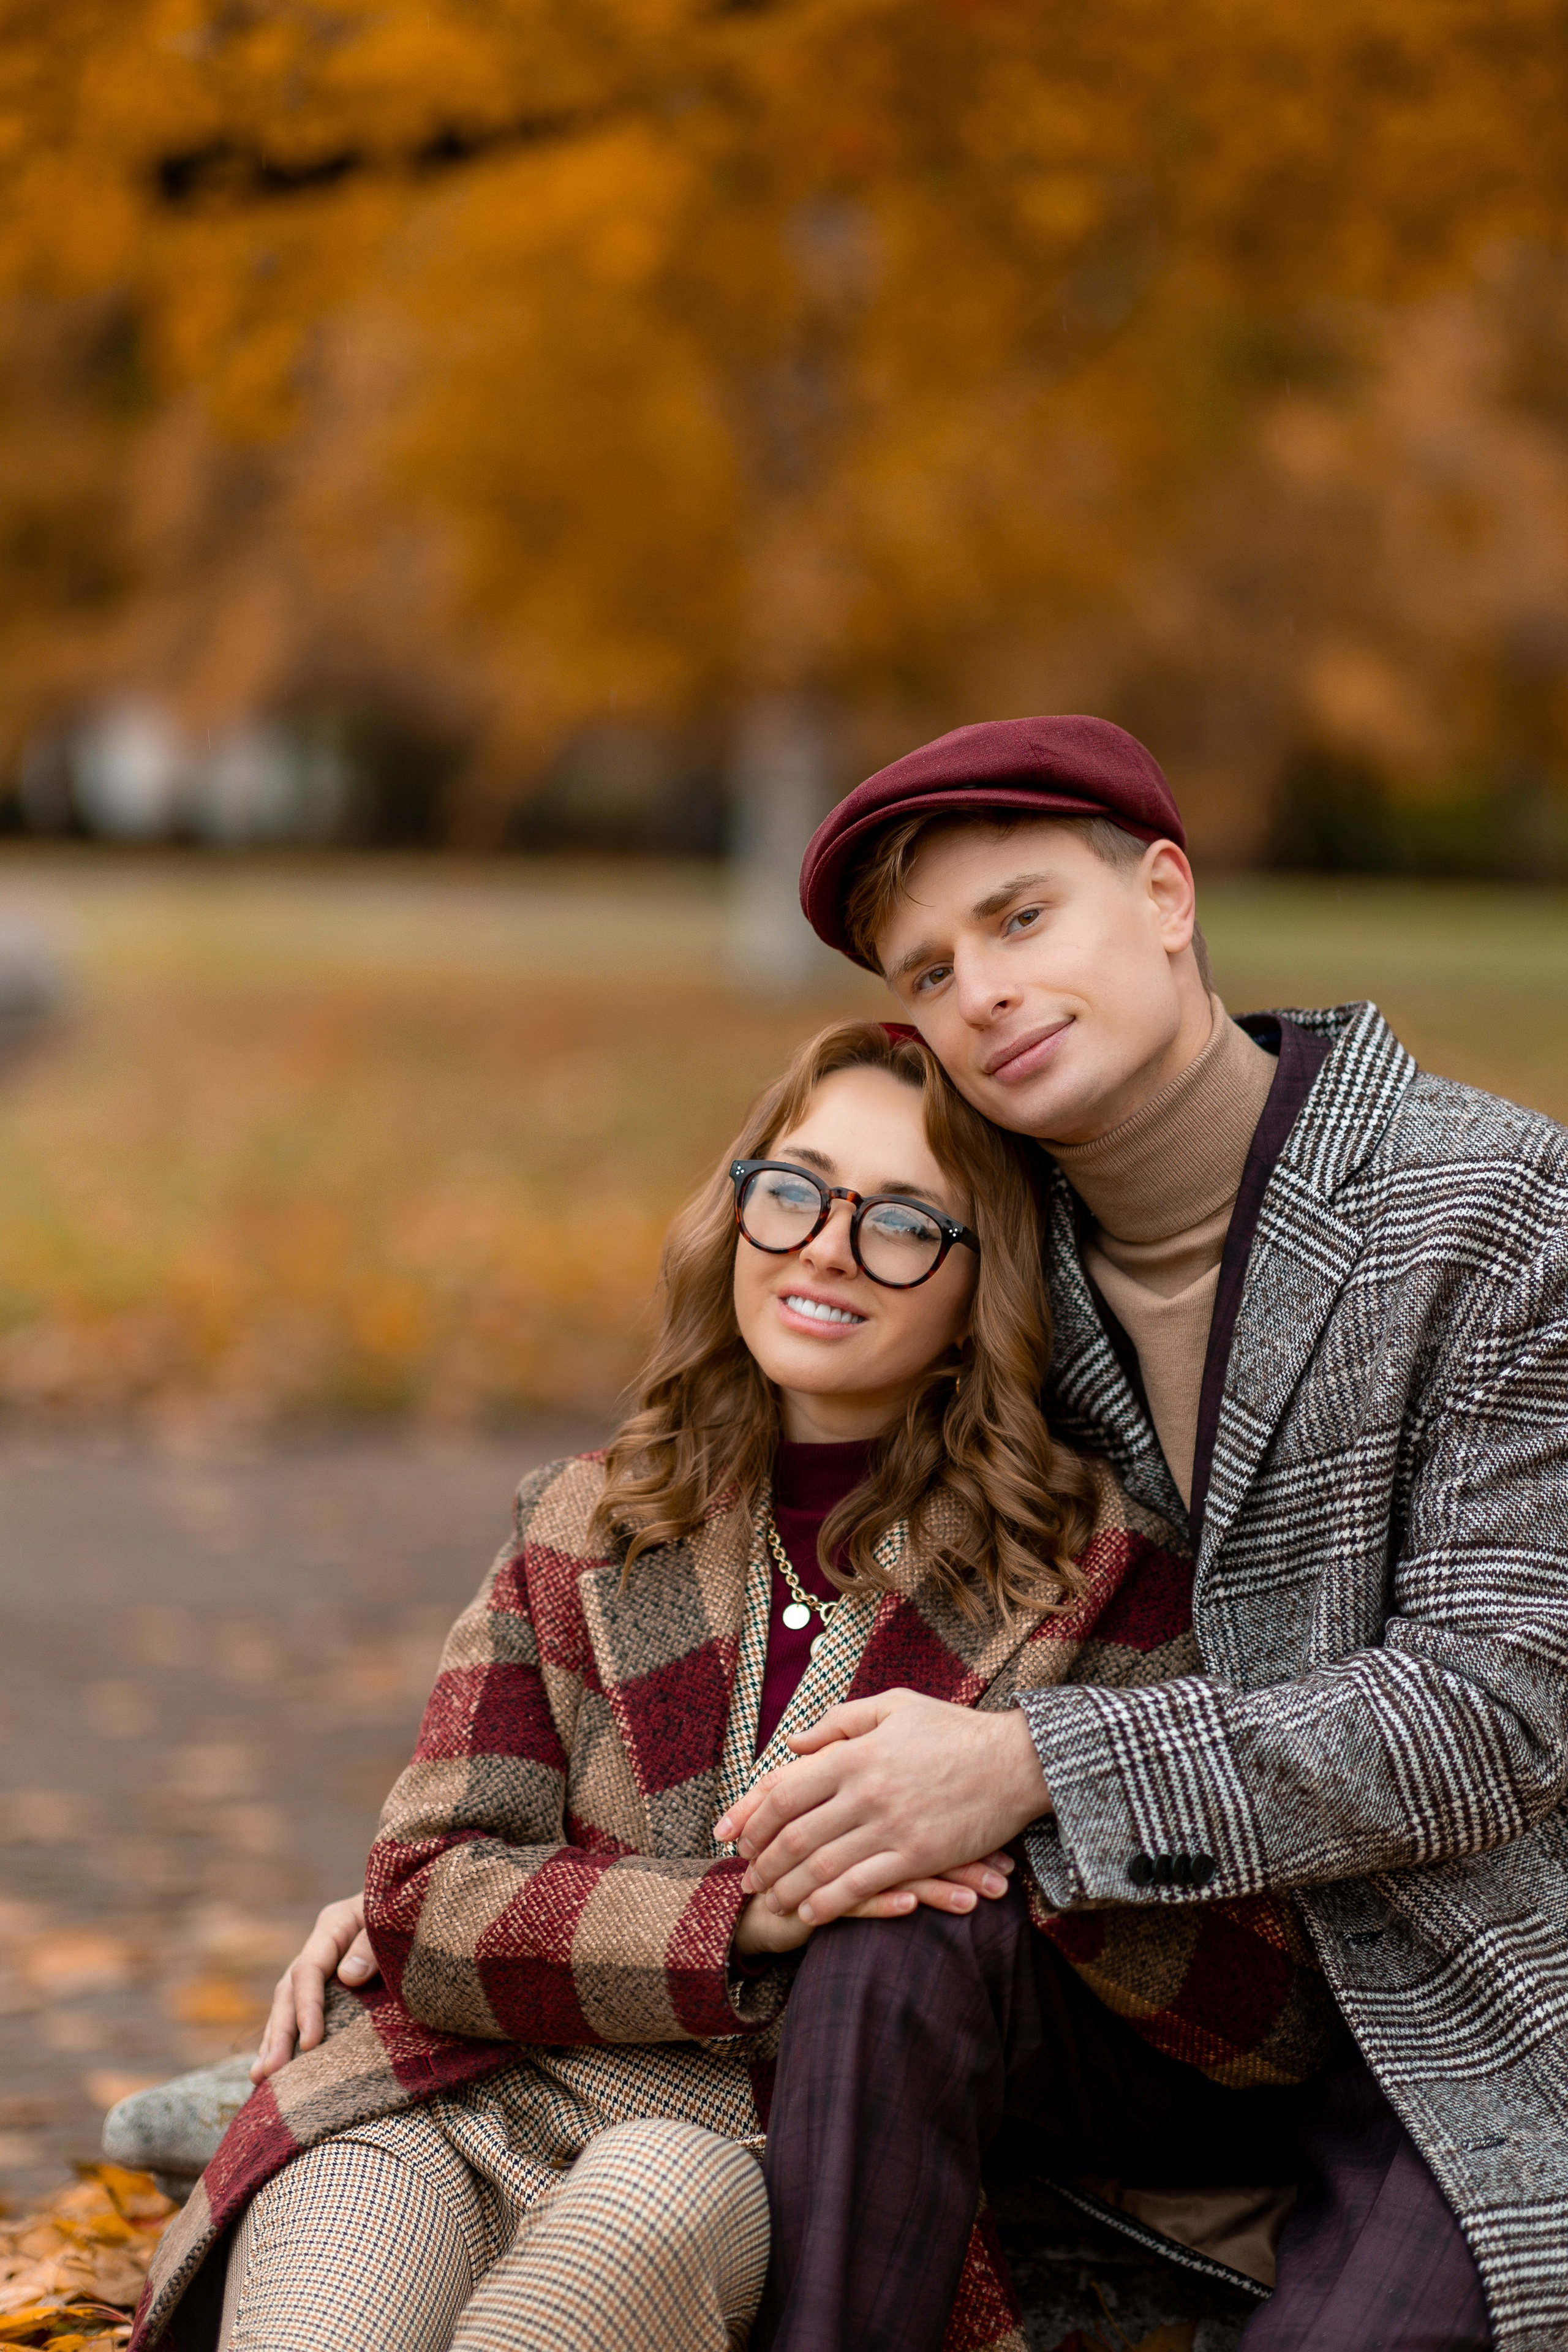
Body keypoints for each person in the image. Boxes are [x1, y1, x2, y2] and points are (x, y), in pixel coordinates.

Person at [132, 1016, 1194, 2352]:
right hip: (449, 2088)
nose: (822, 1244)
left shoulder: (1093, 1572)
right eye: (794, 1188)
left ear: (990, 1283)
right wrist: (742, 1913)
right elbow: (421, 1897)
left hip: (718, 2137)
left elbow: (1213, 1992)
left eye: (905, 1222)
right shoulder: (588, 1518)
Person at [708, 714, 1567, 2352]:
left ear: (1166, 896)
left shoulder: (1500, 1210)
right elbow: (758, 1530)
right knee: (892, 1946)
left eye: (1023, 919)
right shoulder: (984, 1255)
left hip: (1480, 1992)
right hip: (1164, 1983)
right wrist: (480, 1870)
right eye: (932, 971)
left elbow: (1503, 1710)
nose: (985, 993)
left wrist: (1039, 1763)